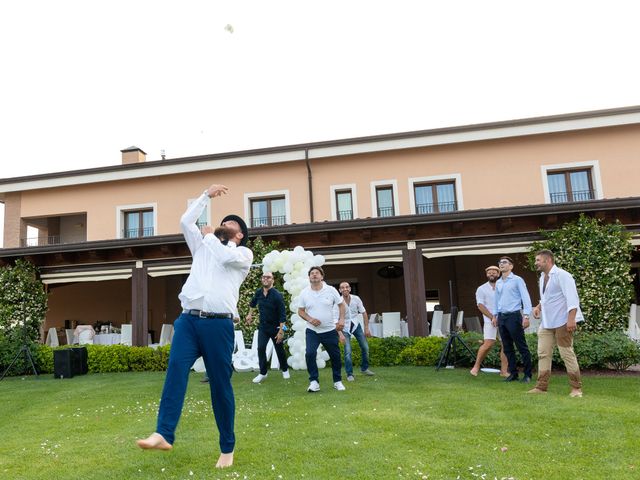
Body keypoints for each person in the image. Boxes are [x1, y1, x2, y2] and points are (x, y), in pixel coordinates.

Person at [136, 183, 253, 469]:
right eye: (223, 222)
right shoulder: (201, 246)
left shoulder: (243, 255)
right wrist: (205, 196)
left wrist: (212, 235)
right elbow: (185, 221)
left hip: (218, 325)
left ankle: (227, 447)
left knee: (220, 387)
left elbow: (224, 254)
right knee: (176, 369)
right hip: (188, 320)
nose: (225, 225)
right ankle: (163, 433)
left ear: (239, 235)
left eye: (231, 225)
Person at [528, 250, 584, 397]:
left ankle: (576, 389)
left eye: (538, 260)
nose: (536, 263)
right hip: (547, 322)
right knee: (543, 353)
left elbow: (573, 299)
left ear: (548, 261)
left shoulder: (563, 275)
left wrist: (571, 319)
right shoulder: (542, 277)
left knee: (567, 354)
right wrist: (538, 307)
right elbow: (547, 297)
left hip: (563, 322)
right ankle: (541, 387)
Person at [297, 266, 346, 392]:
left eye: (317, 273)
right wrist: (310, 319)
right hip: (312, 331)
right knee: (310, 353)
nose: (314, 275)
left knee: (335, 356)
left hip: (329, 330)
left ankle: (337, 381)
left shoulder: (331, 290)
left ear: (322, 276)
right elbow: (300, 311)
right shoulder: (304, 293)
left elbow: (341, 305)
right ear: (309, 277)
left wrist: (341, 320)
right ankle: (314, 382)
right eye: (312, 273)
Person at [493, 256, 533, 383]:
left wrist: (526, 316)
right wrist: (495, 315)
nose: (501, 264)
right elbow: (496, 301)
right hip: (502, 317)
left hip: (514, 316)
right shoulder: (498, 282)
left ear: (511, 266)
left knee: (521, 346)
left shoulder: (517, 280)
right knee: (507, 347)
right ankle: (513, 373)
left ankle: (527, 375)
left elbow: (525, 298)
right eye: (500, 262)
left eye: (505, 262)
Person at [247, 271, 290, 383]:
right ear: (262, 279)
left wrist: (281, 331)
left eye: (268, 277)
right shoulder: (259, 292)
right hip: (263, 327)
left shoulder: (277, 295)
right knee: (261, 348)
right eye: (264, 277)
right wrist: (249, 314)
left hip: (276, 328)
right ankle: (263, 373)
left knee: (279, 350)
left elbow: (282, 315)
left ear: (273, 280)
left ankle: (285, 370)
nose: (265, 279)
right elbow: (252, 304)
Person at [470, 266, 508, 377]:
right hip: (489, 320)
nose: (492, 274)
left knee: (505, 344)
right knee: (488, 344)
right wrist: (492, 317)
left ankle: (504, 371)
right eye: (489, 273)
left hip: (504, 319)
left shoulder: (504, 286)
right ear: (487, 275)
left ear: (498, 274)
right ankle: (476, 367)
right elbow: (480, 305)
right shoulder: (481, 289)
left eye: (494, 272)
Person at [337, 282, 375, 381]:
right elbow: (334, 319)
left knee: (365, 347)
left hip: (355, 325)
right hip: (344, 327)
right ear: (340, 290)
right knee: (348, 351)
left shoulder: (356, 299)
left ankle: (364, 368)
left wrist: (366, 328)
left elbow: (364, 312)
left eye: (346, 287)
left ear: (349, 288)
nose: (345, 289)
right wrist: (340, 334)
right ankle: (349, 374)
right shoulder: (338, 301)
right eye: (342, 288)